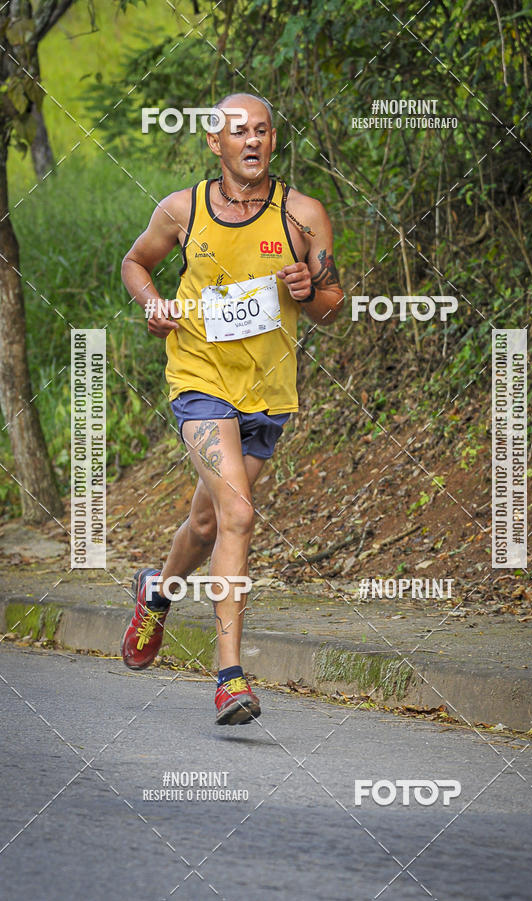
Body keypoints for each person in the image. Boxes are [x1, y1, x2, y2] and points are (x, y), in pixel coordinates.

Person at [120, 92, 343, 725]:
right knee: (239, 513)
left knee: (208, 524)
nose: (252, 141)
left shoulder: (301, 217)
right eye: (237, 132)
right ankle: (229, 677)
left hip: (268, 391)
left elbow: (331, 303)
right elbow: (136, 263)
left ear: (274, 141)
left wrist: (310, 290)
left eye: (263, 131)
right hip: (198, 378)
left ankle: (156, 594)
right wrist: (153, 306)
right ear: (215, 144)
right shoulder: (181, 209)